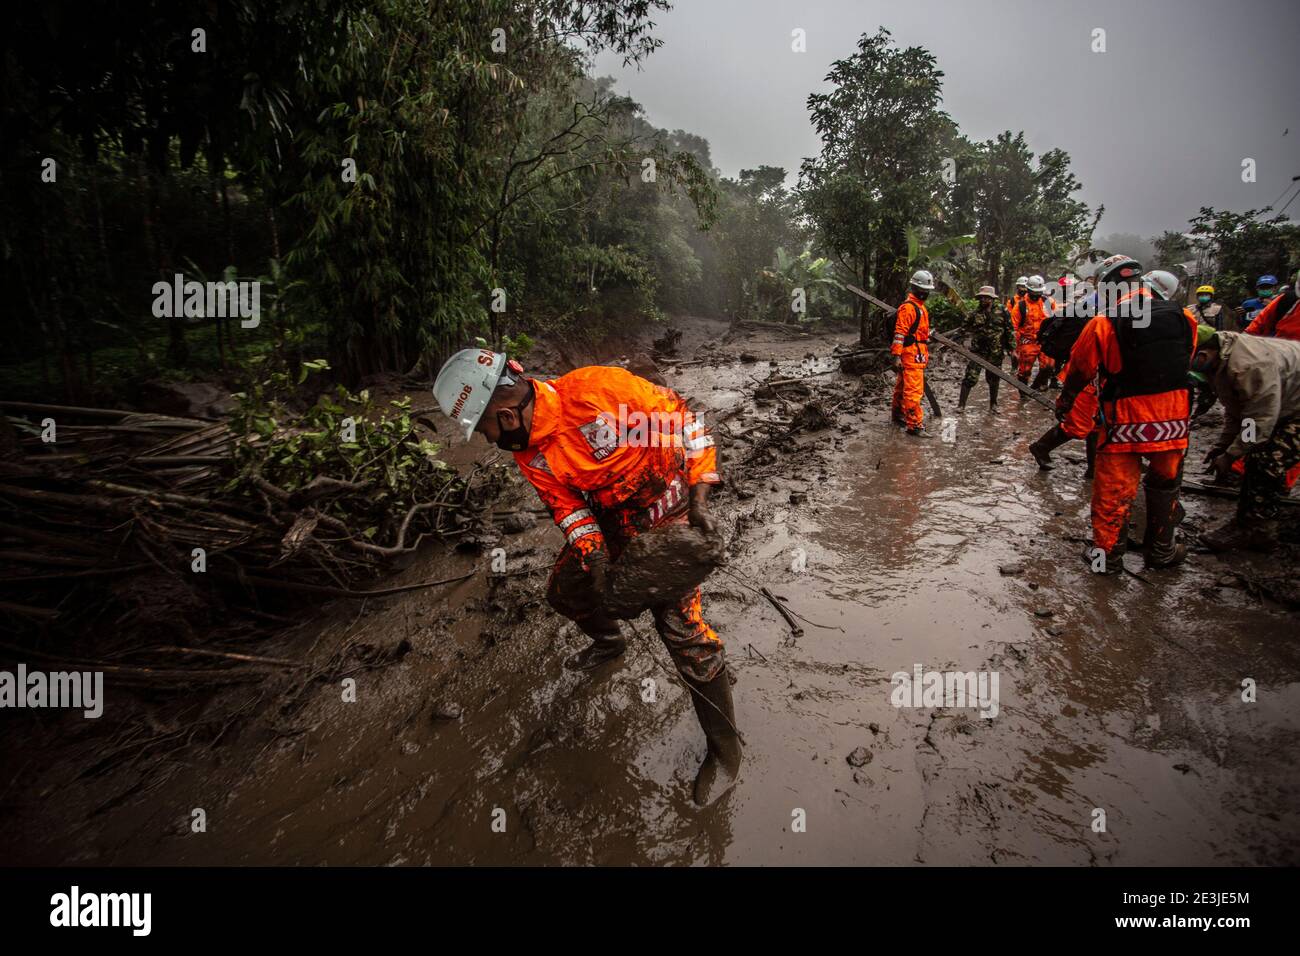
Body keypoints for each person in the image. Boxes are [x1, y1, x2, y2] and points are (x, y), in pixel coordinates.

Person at [432, 349, 741, 805]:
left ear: (503, 415)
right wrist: (593, 555)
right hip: (613, 523)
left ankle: (726, 753)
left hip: (668, 512)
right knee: (566, 592)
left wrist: (699, 497)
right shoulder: (530, 451)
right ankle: (610, 643)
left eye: (484, 430)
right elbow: (568, 508)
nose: (486, 438)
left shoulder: (598, 393)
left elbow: (683, 421)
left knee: (683, 633)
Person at [1056, 253, 1198, 572]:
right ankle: (1161, 550)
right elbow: (1184, 362)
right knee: (1165, 485)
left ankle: (1107, 557)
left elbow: (1080, 370)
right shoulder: (1183, 316)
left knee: (1114, 489)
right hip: (1173, 421)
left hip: (1124, 421)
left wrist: (1065, 403)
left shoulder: (1103, 323)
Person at [1196, 330, 1300, 552]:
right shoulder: (1221, 362)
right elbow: (1237, 411)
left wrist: (1232, 454)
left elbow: (1258, 421)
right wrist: (1222, 446)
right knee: (1257, 456)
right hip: (1285, 403)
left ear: (1204, 353)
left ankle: (1256, 529)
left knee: (1267, 460)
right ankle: (1262, 514)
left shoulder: (1248, 366)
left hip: (1292, 408)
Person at [958, 285, 1016, 411]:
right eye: (982, 298)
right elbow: (963, 329)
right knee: (970, 377)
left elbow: (1009, 330)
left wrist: (1012, 349)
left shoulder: (1002, 311)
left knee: (993, 379)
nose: (984, 300)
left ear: (992, 299)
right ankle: (961, 405)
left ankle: (993, 404)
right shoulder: (974, 313)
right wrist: (953, 342)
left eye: (987, 298)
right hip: (978, 351)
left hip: (995, 351)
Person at [891, 269, 935, 436]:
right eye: (922, 290)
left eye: (927, 291)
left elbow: (915, 332)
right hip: (911, 354)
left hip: (917, 352)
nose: (925, 293)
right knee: (914, 391)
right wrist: (896, 356)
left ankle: (898, 415)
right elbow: (900, 333)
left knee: (902, 387)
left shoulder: (920, 308)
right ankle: (914, 425)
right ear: (915, 288)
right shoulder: (909, 308)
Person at [1012, 275, 1056, 392]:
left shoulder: (1049, 303)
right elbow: (1014, 328)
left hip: (1044, 341)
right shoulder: (1020, 306)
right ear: (1029, 290)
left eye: (1039, 292)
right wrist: (1014, 349)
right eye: (1034, 292)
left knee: (1048, 366)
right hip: (1028, 341)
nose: (1037, 295)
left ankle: (1037, 387)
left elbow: (1055, 322)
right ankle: (1023, 393)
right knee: (1025, 371)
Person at [1244, 267, 1300, 340]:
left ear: (1275, 288)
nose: (1265, 290)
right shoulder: (1286, 300)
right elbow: (1255, 326)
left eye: (1268, 287)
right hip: (1275, 346)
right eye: (1262, 287)